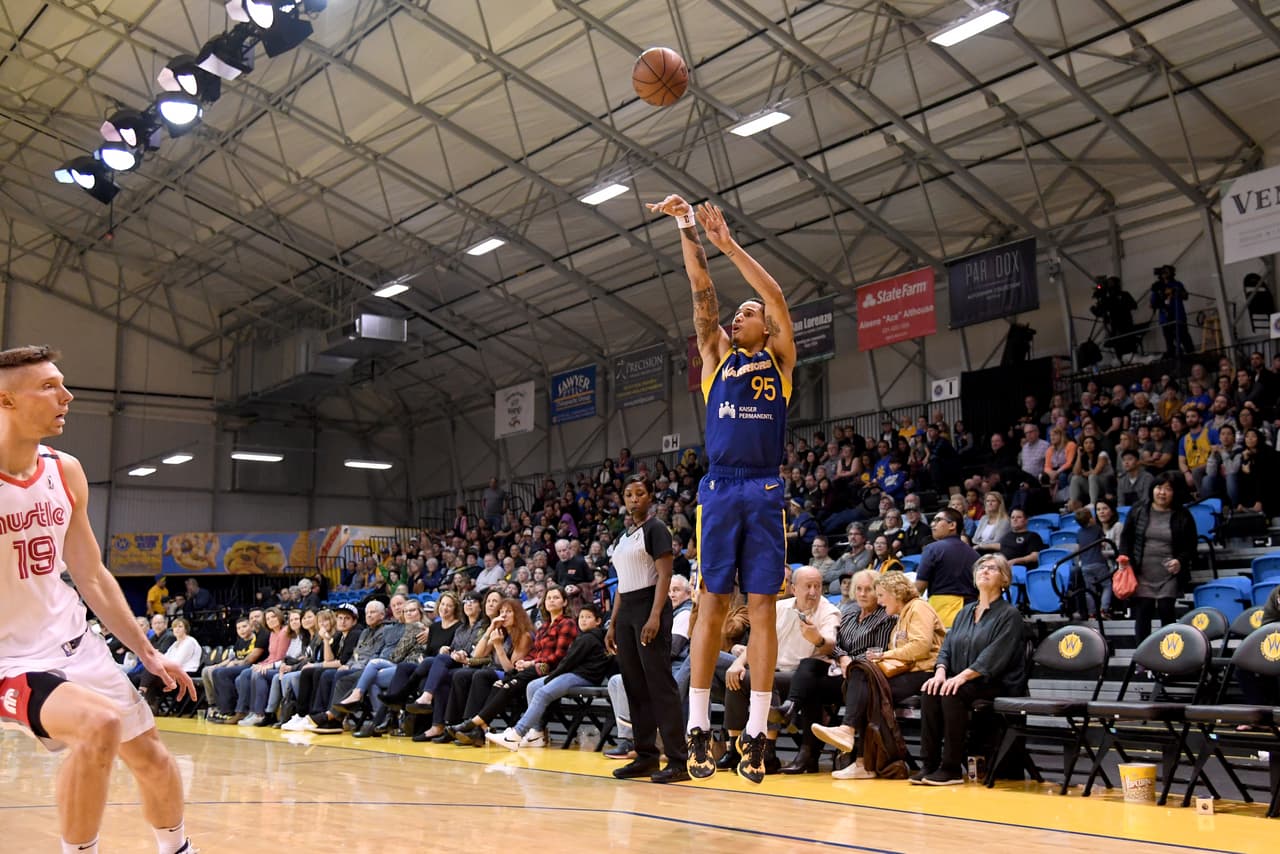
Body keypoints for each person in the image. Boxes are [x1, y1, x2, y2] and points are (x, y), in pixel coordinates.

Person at [0, 345, 197, 854]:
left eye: (62, 383)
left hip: (72, 643)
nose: (66, 396)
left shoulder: (64, 471)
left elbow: (91, 574)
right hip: (8, 658)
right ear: (6, 400)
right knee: (99, 725)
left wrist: (147, 653)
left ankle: (177, 849)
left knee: (152, 759)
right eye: (48, 386)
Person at [648, 194, 796, 783]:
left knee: (761, 608)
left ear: (765, 326)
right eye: (737, 313)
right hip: (721, 488)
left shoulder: (779, 361)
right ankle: (698, 724)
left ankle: (757, 731)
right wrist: (688, 227)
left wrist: (730, 243)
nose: (738, 316)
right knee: (710, 603)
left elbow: (779, 299)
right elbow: (699, 290)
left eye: (748, 312)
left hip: (762, 487)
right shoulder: (716, 359)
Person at [812, 570, 944, 779]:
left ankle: (860, 754)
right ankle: (861, 758)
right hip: (908, 670)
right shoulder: (901, 616)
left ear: (895, 593)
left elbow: (921, 646)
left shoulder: (919, 608)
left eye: (881, 595)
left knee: (868, 687)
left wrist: (884, 655)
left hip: (925, 672)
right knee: (865, 681)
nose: (880, 601)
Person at [604, 474, 688, 783]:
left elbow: (664, 576)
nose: (633, 498)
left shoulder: (656, 529)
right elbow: (622, 586)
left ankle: (679, 759)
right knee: (634, 686)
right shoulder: (624, 537)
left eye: (640, 493)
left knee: (659, 685)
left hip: (649, 606)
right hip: (626, 611)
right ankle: (646, 756)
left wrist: (654, 617)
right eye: (628, 494)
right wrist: (613, 623)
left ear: (650, 497)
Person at [913, 554, 1027, 786]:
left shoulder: (1010, 615)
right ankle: (929, 764)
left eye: (992, 568)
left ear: (1004, 579)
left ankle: (951, 767)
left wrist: (962, 676)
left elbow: (993, 656)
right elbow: (947, 646)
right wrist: (941, 672)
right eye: (981, 568)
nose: (984, 571)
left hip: (996, 684)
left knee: (953, 691)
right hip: (966, 681)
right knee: (931, 689)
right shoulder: (964, 612)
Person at [487, 604, 612, 751]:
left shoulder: (589, 639)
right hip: (574, 674)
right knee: (533, 685)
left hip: (584, 677)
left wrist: (551, 677)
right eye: (582, 617)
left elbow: (568, 662)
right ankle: (537, 732)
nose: (583, 620)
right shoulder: (584, 637)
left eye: (588, 617)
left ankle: (517, 734)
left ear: (598, 621)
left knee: (542, 692)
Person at [1119, 473, 1197, 646]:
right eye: (1159, 487)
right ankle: (1142, 659)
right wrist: (1124, 559)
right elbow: (1126, 538)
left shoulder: (1183, 515)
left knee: (1166, 610)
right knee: (1143, 612)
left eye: (1168, 489)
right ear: (1152, 489)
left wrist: (1180, 561)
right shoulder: (1138, 510)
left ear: (1174, 492)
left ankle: (1169, 654)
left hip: (1168, 574)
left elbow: (1191, 547)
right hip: (1141, 572)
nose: (1162, 493)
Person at [915, 508, 980, 628]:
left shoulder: (932, 549)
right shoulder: (975, 555)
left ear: (952, 525)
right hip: (971, 616)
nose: (932, 524)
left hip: (942, 615)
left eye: (938, 520)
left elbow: (919, 588)